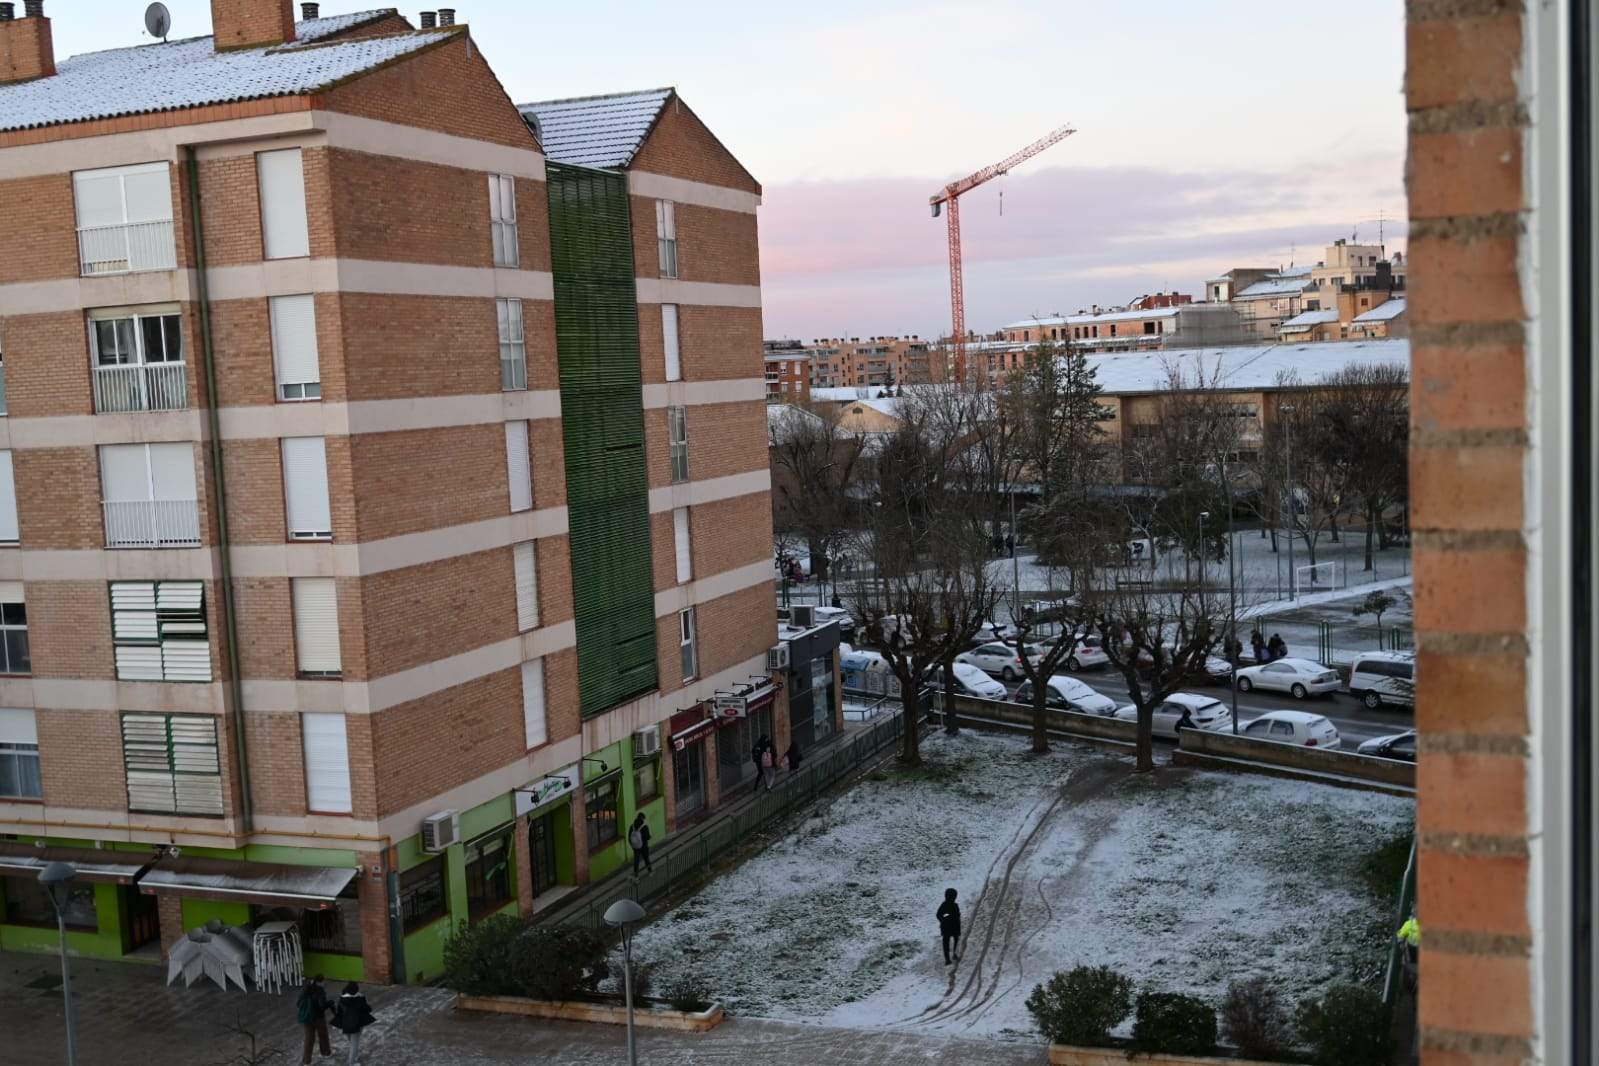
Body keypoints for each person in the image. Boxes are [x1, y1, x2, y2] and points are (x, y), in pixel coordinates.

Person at [332, 982, 375, 1066]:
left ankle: (354, 1056)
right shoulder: (360, 998)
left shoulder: (342, 998)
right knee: (354, 1044)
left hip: (345, 1024)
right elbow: (367, 1009)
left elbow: (339, 1012)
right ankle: (352, 1063)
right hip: (356, 1024)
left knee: (351, 1042)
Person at [296, 974, 332, 1065]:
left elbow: (298, 1003)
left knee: (309, 1039)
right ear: (320, 982)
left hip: (307, 1018)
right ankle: (326, 1053)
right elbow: (322, 1005)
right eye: (324, 981)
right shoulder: (320, 991)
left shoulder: (306, 989)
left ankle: (306, 1061)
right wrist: (329, 1004)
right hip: (318, 1017)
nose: (325, 983)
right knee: (323, 1035)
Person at [936, 887, 962, 966]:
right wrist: (944, 919)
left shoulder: (949, 905)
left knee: (948, 942)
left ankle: (950, 957)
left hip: (948, 926)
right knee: (952, 941)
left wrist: (943, 920)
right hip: (951, 926)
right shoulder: (950, 905)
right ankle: (950, 957)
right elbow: (939, 915)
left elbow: (939, 915)